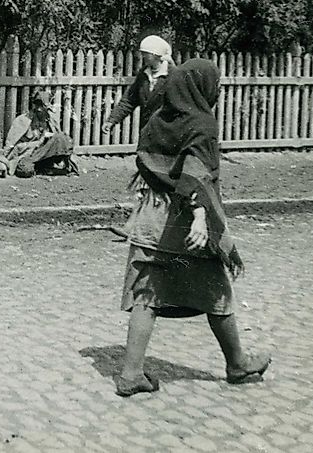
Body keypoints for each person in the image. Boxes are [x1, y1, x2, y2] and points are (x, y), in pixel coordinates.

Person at [116, 58, 270, 397]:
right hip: (185, 224)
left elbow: (147, 160)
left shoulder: (158, 118)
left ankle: (130, 374)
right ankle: (238, 364)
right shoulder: (202, 123)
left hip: (150, 217)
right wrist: (201, 216)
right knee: (217, 290)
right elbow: (195, 172)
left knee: (147, 294)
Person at [102, 32, 174, 136]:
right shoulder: (144, 75)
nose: (143, 56)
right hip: (147, 132)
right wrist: (112, 120)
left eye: (146, 53)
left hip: (168, 133)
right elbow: (129, 100)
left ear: (156, 54)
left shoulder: (173, 75)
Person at [3, 89, 78, 178]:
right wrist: (41, 140)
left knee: (62, 137)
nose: (39, 108)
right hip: (26, 154)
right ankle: (40, 168)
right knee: (26, 170)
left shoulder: (51, 121)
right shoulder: (23, 120)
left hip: (43, 154)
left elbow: (62, 144)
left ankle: (70, 169)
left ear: (48, 107)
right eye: (37, 104)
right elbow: (12, 146)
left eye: (42, 106)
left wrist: (49, 139)